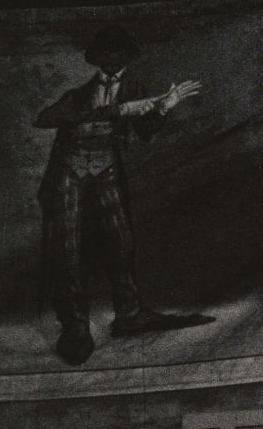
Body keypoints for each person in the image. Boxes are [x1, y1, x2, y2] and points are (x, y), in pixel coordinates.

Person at [35, 24, 203, 365]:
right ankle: (75, 325)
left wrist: (164, 107)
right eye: (106, 52)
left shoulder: (135, 88)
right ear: (96, 58)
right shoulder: (78, 93)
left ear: (126, 57)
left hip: (106, 170)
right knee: (66, 247)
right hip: (68, 172)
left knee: (121, 242)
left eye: (118, 52)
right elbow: (44, 118)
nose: (112, 58)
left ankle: (129, 314)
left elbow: (145, 132)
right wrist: (117, 111)